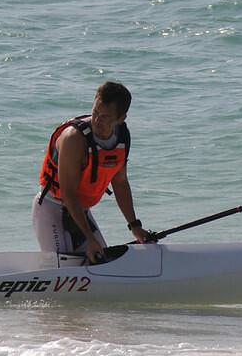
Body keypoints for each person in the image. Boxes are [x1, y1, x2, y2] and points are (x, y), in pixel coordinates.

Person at [33, 81, 153, 264]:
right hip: (52, 210)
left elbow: (120, 183)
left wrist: (134, 226)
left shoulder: (122, 137)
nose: (97, 120)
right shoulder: (73, 139)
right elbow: (68, 193)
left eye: (105, 117)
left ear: (121, 118)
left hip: (81, 214)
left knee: (103, 264)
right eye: (95, 112)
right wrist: (89, 238)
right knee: (65, 271)